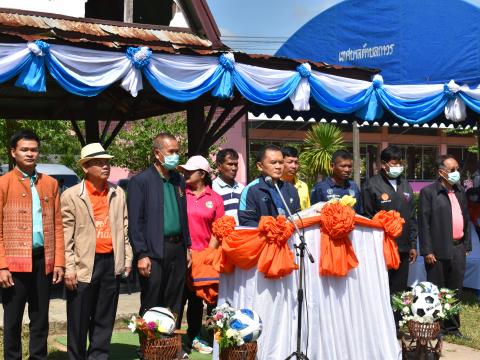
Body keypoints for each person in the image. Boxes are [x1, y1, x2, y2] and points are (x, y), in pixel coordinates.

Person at [61, 143, 133, 359]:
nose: (105, 166)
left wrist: (127, 258)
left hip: (111, 262)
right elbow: (66, 236)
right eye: (99, 163)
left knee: (105, 318)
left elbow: (124, 227)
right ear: (86, 167)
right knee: (78, 319)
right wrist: (69, 268)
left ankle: (98, 356)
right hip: (84, 264)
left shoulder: (118, 193)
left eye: (107, 162)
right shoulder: (72, 195)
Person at [0, 129, 65, 359]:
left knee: (40, 319)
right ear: (13, 152)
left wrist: (58, 262)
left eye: (34, 149)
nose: (30, 154)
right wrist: (2, 266)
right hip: (14, 264)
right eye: (24, 149)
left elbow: (58, 225)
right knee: (13, 320)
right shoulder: (3, 184)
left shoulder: (50, 184)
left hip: (42, 261)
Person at [127, 133, 191, 320]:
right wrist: (141, 254)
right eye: (171, 152)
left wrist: (187, 246)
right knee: (152, 299)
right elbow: (135, 222)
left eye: (177, 152)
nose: (176, 156)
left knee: (175, 298)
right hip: (154, 250)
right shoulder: (141, 181)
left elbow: (183, 215)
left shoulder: (178, 180)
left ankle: (171, 345)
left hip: (177, 248)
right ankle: (149, 347)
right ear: (157, 153)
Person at [362, 145, 417, 334]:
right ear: (384, 164)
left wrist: (412, 244)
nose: (398, 166)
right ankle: (379, 326)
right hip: (382, 247)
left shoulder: (405, 184)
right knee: (382, 286)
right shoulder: (371, 185)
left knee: (399, 288)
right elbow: (367, 217)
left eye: (400, 162)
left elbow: (411, 216)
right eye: (394, 163)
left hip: (403, 247)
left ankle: (397, 324)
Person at [418, 155, 471, 337]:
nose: (457, 173)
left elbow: (466, 219)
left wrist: (466, 245)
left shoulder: (460, 191)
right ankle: (436, 327)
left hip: (458, 248)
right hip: (437, 250)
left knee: (455, 290)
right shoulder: (429, 192)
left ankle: (452, 327)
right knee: (437, 289)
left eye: (458, 168)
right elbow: (423, 223)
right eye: (453, 170)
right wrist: (427, 251)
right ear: (442, 172)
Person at [177, 155, 225, 355]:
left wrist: (207, 255)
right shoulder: (179, 194)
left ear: (203, 174)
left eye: (190, 171)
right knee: (181, 301)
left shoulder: (215, 199)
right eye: (185, 171)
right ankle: (178, 342)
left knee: (202, 302)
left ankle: (198, 339)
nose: (185, 174)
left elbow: (219, 229)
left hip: (205, 259)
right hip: (182, 257)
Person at [238, 145, 300, 227]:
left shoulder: (291, 189)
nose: (278, 167)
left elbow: (298, 217)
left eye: (281, 162)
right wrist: (269, 230)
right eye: (273, 163)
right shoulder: (251, 190)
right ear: (260, 166)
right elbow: (246, 221)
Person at [212, 149, 244, 225]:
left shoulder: (242, 188)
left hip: (240, 234)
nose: (234, 168)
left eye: (236, 165)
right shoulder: (212, 188)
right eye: (230, 164)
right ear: (219, 166)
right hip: (220, 234)